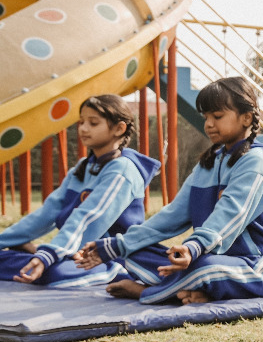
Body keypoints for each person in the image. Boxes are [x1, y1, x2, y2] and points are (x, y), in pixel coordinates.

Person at [75, 77, 263, 304]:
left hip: (259, 265)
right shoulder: (209, 163)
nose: (209, 124)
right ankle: (192, 288)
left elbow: (230, 215)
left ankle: (146, 291)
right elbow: (173, 215)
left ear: (246, 118)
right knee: (133, 252)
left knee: (205, 268)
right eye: (206, 117)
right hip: (206, 256)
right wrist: (116, 245)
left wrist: (194, 247)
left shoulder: (255, 161)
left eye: (217, 117)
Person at [0, 95, 160, 287]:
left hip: (109, 255)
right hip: (74, 251)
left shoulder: (123, 171)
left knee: (54, 272)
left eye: (93, 123)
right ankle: (40, 257)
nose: (83, 128)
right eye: (82, 122)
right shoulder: (83, 167)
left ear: (119, 128)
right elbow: (46, 213)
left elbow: (88, 217)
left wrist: (48, 255)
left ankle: (118, 273)